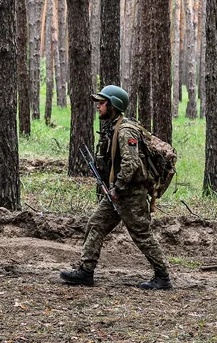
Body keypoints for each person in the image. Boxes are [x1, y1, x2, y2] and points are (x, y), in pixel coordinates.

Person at [60, 85, 172, 290]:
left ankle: (162, 276)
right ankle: (85, 272)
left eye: (102, 103)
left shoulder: (125, 130)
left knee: (141, 234)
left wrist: (118, 188)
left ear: (113, 105)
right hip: (117, 191)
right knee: (96, 224)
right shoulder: (112, 127)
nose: (98, 107)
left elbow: (131, 163)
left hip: (130, 193)